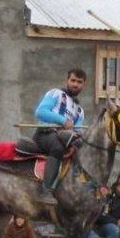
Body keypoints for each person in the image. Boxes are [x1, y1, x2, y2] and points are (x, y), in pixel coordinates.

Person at [33, 69, 87, 203]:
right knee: (57, 146)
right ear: (67, 81)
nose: (75, 84)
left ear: (83, 85)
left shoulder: (80, 111)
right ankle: (46, 190)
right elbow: (40, 112)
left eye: (79, 82)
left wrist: (81, 136)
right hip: (46, 134)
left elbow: (78, 130)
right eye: (73, 80)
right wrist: (63, 121)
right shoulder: (55, 93)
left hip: (66, 138)